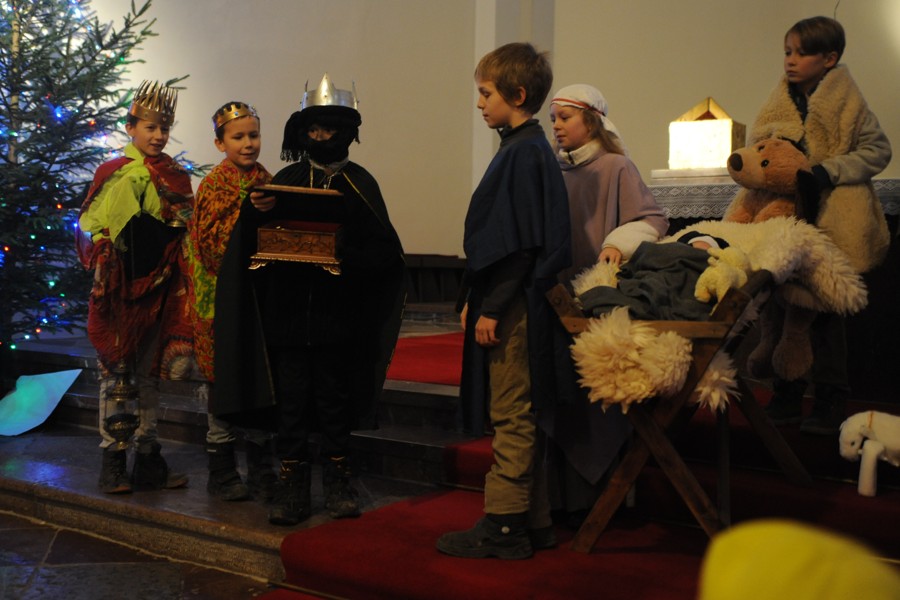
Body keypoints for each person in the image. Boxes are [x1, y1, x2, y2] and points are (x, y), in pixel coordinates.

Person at [241, 74, 406, 526]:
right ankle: (292, 486)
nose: (320, 137)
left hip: (339, 318)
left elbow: (385, 256)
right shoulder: (286, 180)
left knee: (334, 400)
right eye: (313, 129)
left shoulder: (361, 183)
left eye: (329, 129)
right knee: (292, 402)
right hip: (290, 316)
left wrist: (342, 253)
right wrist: (255, 213)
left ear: (346, 132)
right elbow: (252, 244)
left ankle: (338, 482)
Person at [435, 42, 574, 560]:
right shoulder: (526, 147)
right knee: (520, 410)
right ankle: (535, 522)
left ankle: (504, 527)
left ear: (516, 95)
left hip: (515, 304)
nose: (479, 103)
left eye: (486, 93)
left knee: (512, 412)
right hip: (515, 296)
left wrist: (491, 306)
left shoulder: (523, 152)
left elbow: (521, 246)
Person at [539, 85, 670, 524]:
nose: (556, 127)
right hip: (554, 296)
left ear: (592, 121)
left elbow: (651, 218)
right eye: (553, 119)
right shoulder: (552, 169)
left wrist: (618, 242)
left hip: (596, 300)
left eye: (565, 118)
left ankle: (598, 501)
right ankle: (557, 500)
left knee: (593, 398)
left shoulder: (616, 167)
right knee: (559, 394)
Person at [757, 16, 892, 435]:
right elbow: (762, 147)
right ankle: (787, 391)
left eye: (801, 53)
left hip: (832, 215)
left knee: (827, 310)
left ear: (829, 59)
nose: (790, 61)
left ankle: (831, 396)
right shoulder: (780, 101)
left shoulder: (849, 103)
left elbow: (878, 150)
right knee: (783, 305)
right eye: (787, 52)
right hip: (791, 215)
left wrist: (828, 170)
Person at [76, 80, 193, 494]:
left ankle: (148, 458)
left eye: (165, 128)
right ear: (131, 128)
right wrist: (107, 249)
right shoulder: (113, 172)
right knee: (115, 375)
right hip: (119, 289)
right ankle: (112, 460)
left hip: (159, 289)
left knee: (148, 375)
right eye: (150, 127)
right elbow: (91, 226)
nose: (159, 135)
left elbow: (184, 228)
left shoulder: (176, 175)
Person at [185, 101, 278, 502]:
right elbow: (210, 246)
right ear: (220, 143)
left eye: (253, 135)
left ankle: (261, 467)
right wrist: (248, 213)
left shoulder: (269, 181)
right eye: (238, 137)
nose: (248, 143)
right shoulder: (214, 185)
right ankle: (221, 470)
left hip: (259, 299)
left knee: (258, 377)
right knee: (224, 381)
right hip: (220, 300)